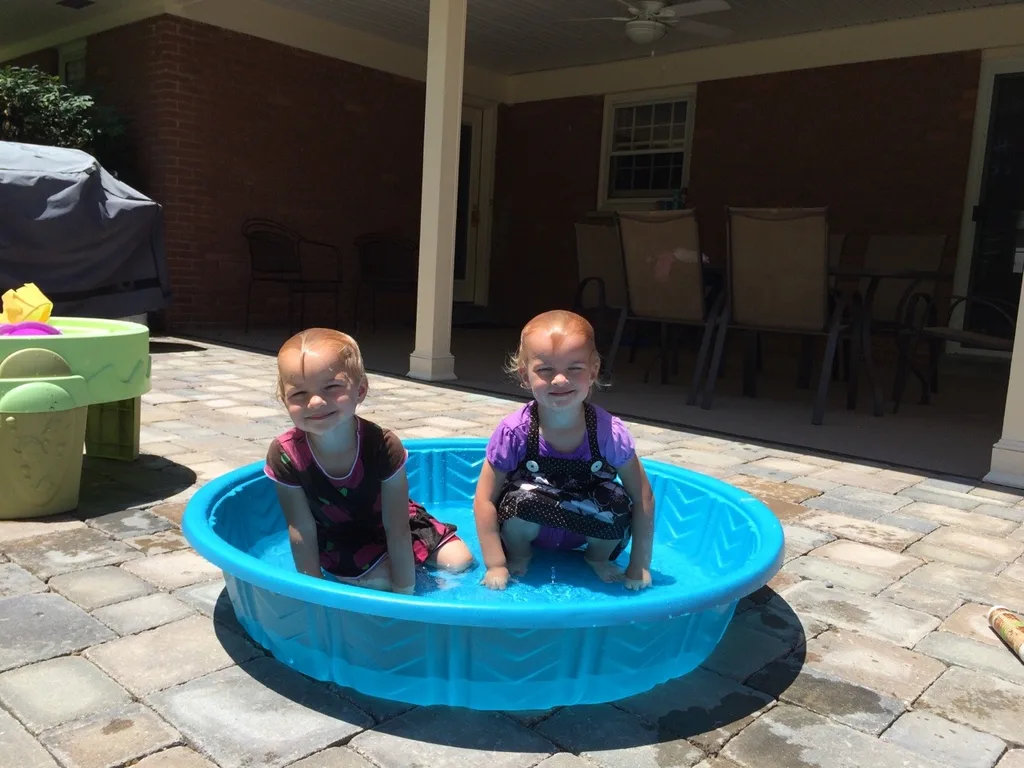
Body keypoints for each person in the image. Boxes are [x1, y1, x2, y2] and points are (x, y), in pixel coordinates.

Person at [265, 328, 474, 593]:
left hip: (393, 521)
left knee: (460, 562)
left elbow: (397, 526)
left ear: (360, 390)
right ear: (284, 400)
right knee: (382, 583)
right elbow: (301, 529)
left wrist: (405, 590)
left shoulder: (382, 445)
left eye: (331, 387)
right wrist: (314, 594)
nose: (315, 402)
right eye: (299, 394)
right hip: (340, 537)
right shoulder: (286, 454)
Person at [474, 310, 655, 591]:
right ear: (524, 375)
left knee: (618, 501)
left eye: (574, 368)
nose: (560, 379)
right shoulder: (515, 431)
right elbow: (484, 498)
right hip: (531, 525)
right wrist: (495, 563)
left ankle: (597, 559)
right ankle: (520, 555)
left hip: (588, 524)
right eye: (545, 369)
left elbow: (643, 497)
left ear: (593, 371)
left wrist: (640, 564)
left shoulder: (608, 433)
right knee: (516, 498)